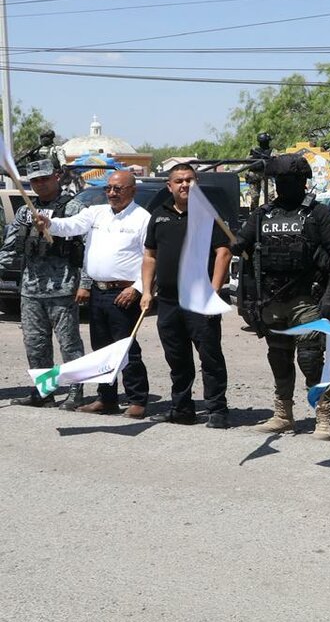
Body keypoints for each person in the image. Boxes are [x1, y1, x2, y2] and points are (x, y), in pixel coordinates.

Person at [232, 154, 330, 440]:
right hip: (271, 300)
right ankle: (283, 415)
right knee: (279, 357)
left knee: (310, 358)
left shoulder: (318, 214)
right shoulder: (262, 215)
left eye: (291, 180)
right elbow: (242, 245)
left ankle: (324, 416)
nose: (284, 186)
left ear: (303, 182)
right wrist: (235, 242)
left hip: (306, 299)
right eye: (279, 181)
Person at [39, 169, 151, 417]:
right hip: (98, 292)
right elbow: (71, 225)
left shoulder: (143, 218)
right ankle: (106, 399)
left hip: (124, 293)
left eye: (117, 189)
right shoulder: (96, 212)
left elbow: (151, 257)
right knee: (101, 349)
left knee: (126, 349)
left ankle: (137, 400)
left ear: (132, 190)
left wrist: (138, 288)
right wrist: (50, 224)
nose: (111, 193)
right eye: (108, 188)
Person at [140, 164, 232, 428]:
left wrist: (213, 290)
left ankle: (217, 409)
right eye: (179, 181)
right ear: (169, 186)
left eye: (189, 180)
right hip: (168, 301)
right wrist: (146, 291)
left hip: (200, 300)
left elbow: (223, 253)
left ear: (196, 182)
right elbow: (150, 256)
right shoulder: (158, 216)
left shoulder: (208, 215)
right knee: (177, 357)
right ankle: (182, 409)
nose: (184, 185)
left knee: (210, 357)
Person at [0, 160, 87, 409]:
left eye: (45, 178)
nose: (40, 184)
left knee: (69, 344)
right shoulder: (24, 211)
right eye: (35, 180)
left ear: (56, 176)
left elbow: (88, 249)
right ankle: (44, 391)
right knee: (35, 344)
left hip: (63, 289)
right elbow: (10, 248)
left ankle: (75, 391)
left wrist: (86, 283)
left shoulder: (74, 208)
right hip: (31, 290)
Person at [245, 132, 273, 212]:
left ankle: (270, 211)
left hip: (265, 175)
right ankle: (254, 212)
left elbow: (275, 160)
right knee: (254, 196)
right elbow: (247, 161)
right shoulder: (254, 151)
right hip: (254, 175)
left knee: (270, 194)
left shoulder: (271, 151)